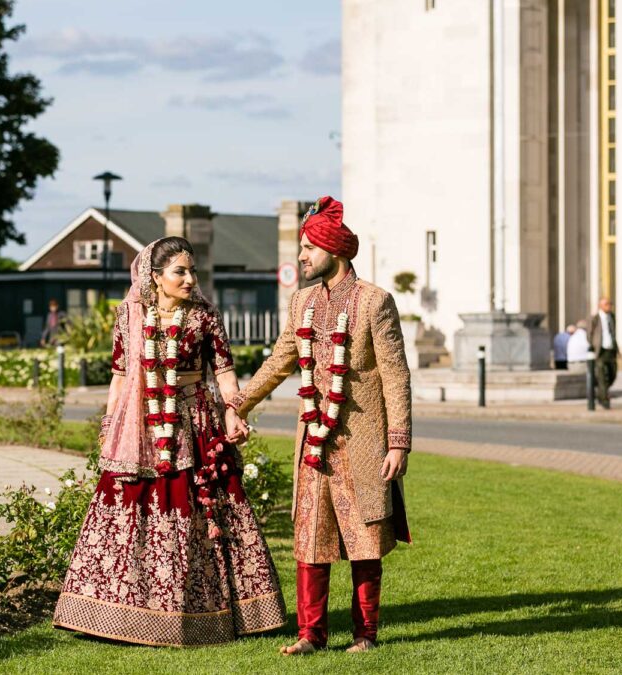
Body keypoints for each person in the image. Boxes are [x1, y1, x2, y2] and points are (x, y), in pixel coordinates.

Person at [52, 237, 285, 646]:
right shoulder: (130, 316)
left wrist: (234, 411)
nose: (190, 279)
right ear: (155, 277)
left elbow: (225, 374)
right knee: (131, 505)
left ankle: (210, 615)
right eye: (180, 272)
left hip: (195, 422)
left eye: (192, 271)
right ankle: (114, 613)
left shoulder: (205, 316)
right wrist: (110, 423)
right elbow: (121, 376)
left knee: (204, 508)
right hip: (140, 427)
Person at [228, 196, 412, 655]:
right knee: (311, 537)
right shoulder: (302, 302)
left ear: (335, 250)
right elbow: (278, 362)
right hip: (314, 441)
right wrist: (239, 404)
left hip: (364, 442)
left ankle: (365, 636)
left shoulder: (376, 302)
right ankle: (310, 635)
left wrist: (398, 442)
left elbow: (395, 375)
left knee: (366, 540)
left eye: (309, 248)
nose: (302, 257)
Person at [588, 296, 619, 408]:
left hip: (611, 350)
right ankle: (604, 400)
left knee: (612, 374)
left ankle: (602, 392)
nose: (609, 306)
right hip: (600, 351)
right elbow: (590, 334)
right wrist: (592, 346)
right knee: (601, 376)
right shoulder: (595, 319)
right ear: (600, 306)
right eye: (606, 304)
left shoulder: (612, 317)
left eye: (610, 304)